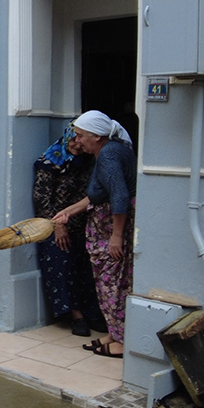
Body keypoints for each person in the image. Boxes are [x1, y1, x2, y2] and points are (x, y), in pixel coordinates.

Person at [51, 110, 137, 358]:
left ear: (96, 136)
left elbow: (119, 195)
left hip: (111, 227)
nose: (77, 141)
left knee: (113, 283)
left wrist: (116, 236)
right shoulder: (112, 150)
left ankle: (120, 342)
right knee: (108, 282)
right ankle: (114, 333)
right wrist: (69, 211)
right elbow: (99, 193)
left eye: (80, 135)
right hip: (106, 223)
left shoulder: (109, 155)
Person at [33, 122, 105, 337]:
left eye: (80, 138)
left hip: (82, 223)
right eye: (73, 138)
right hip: (56, 226)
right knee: (62, 266)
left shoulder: (89, 161)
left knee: (86, 268)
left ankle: (92, 313)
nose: (77, 143)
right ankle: (76, 316)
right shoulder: (48, 161)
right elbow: (42, 199)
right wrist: (58, 225)